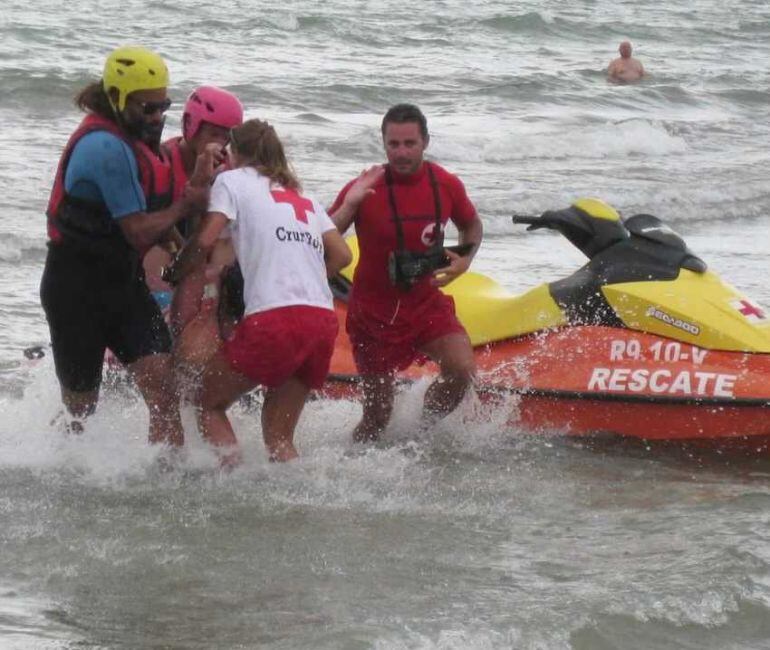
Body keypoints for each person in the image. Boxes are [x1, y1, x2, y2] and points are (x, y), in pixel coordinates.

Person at [40, 46, 220, 445]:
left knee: (164, 392)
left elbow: (158, 223)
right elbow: (138, 230)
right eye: (147, 109)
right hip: (75, 290)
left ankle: (166, 481)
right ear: (119, 99)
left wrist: (183, 251)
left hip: (123, 287)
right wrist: (187, 204)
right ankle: (59, 465)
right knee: (82, 410)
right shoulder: (104, 148)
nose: (157, 118)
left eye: (163, 107)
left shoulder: (139, 142)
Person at [170, 119, 351, 464]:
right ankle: (292, 506)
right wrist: (305, 276)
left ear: (234, 154)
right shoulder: (304, 196)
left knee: (208, 403)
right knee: (280, 438)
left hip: (275, 319)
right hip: (321, 320)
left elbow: (207, 239)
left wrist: (177, 271)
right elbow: (343, 255)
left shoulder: (231, 181)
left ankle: (232, 485)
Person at [329, 103, 483, 442]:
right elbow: (324, 235)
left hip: (425, 304)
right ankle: (355, 463)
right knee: (376, 418)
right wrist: (351, 204)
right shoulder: (365, 186)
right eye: (393, 144)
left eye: (409, 143)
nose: (401, 152)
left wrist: (464, 258)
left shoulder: (446, 184)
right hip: (372, 313)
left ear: (425, 142)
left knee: (462, 371)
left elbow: (471, 225)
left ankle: (420, 432)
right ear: (383, 144)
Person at [142, 85, 244, 334]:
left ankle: (216, 315)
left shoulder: (229, 171)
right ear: (191, 125)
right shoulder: (161, 160)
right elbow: (151, 227)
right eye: (213, 134)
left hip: (204, 254)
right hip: (168, 252)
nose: (219, 143)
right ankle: (160, 308)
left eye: (225, 136)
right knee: (156, 250)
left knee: (228, 242)